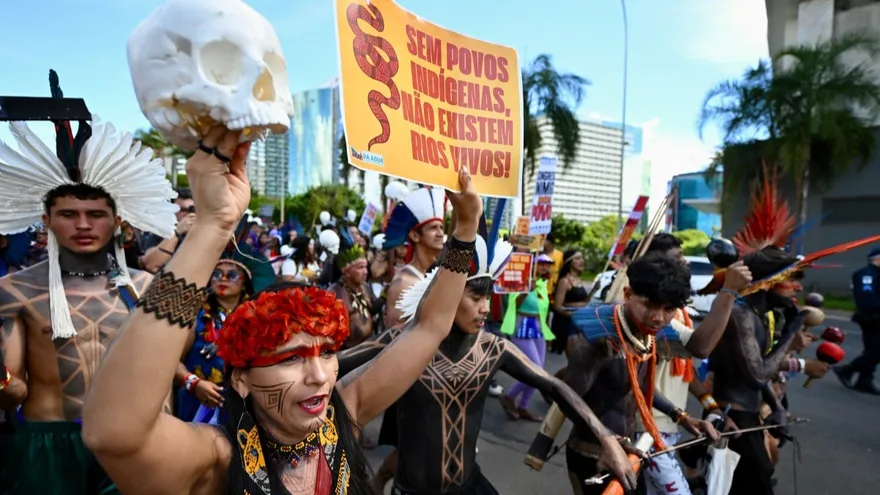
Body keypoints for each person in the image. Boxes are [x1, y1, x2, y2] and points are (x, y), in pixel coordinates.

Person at [81, 128, 485, 495]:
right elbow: (115, 434)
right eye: (290, 358)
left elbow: (430, 327)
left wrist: (466, 228)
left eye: (326, 352)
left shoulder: (341, 417)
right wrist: (212, 227)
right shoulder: (216, 458)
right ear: (240, 381)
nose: (319, 376)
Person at [338, 234, 639, 494]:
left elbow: (555, 386)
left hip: (471, 487)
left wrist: (605, 437)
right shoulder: (403, 342)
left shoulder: (493, 348)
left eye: (488, 297)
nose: (485, 308)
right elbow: (335, 366)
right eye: (475, 297)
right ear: (447, 295)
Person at [0, 77, 178, 495]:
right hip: (51, 447)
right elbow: (13, 393)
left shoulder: (147, 286)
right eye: (68, 213)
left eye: (95, 213)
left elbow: (166, 367)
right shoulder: (15, 289)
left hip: (137, 441)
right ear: (46, 220)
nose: (82, 224)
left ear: (118, 220)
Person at [558, 252, 720, 494]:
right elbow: (566, 399)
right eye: (649, 305)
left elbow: (640, 387)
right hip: (592, 455)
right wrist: (607, 440)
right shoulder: (601, 340)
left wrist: (681, 417)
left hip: (628, 452)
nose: (658, 317)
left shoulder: (646, 335)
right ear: (627, 294)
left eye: (668, 309)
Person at [373, 184, 448, 490]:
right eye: (433, 228)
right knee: (415, 450)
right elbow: (396, 342)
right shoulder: (403, 283)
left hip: (438, 377)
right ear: (415, 236)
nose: (441, 233)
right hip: (413, 381)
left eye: (443, 227)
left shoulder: (436, 277)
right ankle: (380, 479)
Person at [175, 254, 259, 423]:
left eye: (232, 275)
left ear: (245, 284)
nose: (223, 279)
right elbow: (170, 361)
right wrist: (194, 383)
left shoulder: (256, 321)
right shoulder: (194, 316)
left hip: (240, 409)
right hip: (195, 405)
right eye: (217, 274)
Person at [499, 253, 554, 421]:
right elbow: (512, 305)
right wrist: (525, 289)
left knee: (540, 370)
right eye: (542, 263)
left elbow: (543, 310)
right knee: (534, 369)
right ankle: (509, 396)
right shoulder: (521, 280)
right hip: (521, 323)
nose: (545, 266)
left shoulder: (542, 283)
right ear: (533, 263)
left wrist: (547, 332)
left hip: (538, 326)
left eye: (548, 264)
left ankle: (523, 406)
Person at [834, 247, 880, 394]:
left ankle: (864, 380)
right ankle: (847, 370)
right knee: (876, 350)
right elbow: (867, 300)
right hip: (871, 318)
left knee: (872, 350)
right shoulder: (867, 274)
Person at [328, 233, 382, 349]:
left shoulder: (365, 287)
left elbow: (372, 309)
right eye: (360, 268)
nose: (365, 272)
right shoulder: (335, 293)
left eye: (366, 267)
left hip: (368, 347)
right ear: (346, 271)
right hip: (347, 353)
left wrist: (386, 294)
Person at [140, 187, 196, 273]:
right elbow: (151, 265)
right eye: (182, 210)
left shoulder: (204, 232)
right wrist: (176, 233)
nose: (188, 214)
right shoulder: (161, 232)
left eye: (192, 210)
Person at [550, 248, 590, 354]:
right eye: (577, 258)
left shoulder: (578, 280)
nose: (582, 261)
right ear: (569, 262)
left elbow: (584, 302)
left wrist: (595, 289)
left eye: (582, 258)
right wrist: (572, 315)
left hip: (579, 323)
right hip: (568, 325)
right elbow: (557, 307)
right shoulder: (564, 282)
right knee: (574, 358)